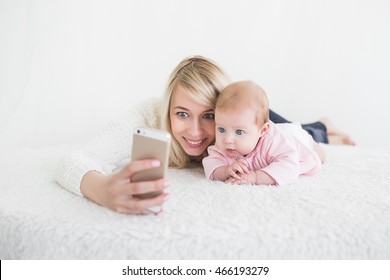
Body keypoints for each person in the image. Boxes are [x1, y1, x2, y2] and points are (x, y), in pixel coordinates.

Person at [55, 55, 355, 215]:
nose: (197, 131)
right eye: (182, 114)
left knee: (305, 135)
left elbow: (289, 155)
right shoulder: (148, 116)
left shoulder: (240, 126)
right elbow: (74, 160)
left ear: (221, 112)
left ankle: (322, 126)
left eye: (209, 116)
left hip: (262, 124)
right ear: (167, 108)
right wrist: (104, 190)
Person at [202, 81, 325, 185]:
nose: (227, 139)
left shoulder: (274, 143)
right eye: (221, 129)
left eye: (239, 132)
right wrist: (225, 171)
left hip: (296, 138)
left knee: (320, 156)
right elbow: (210, 163)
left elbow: (289, 168)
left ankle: (322, 128)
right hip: (281, 131)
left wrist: (256, 177)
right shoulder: (223, 146)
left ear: (263, 131)